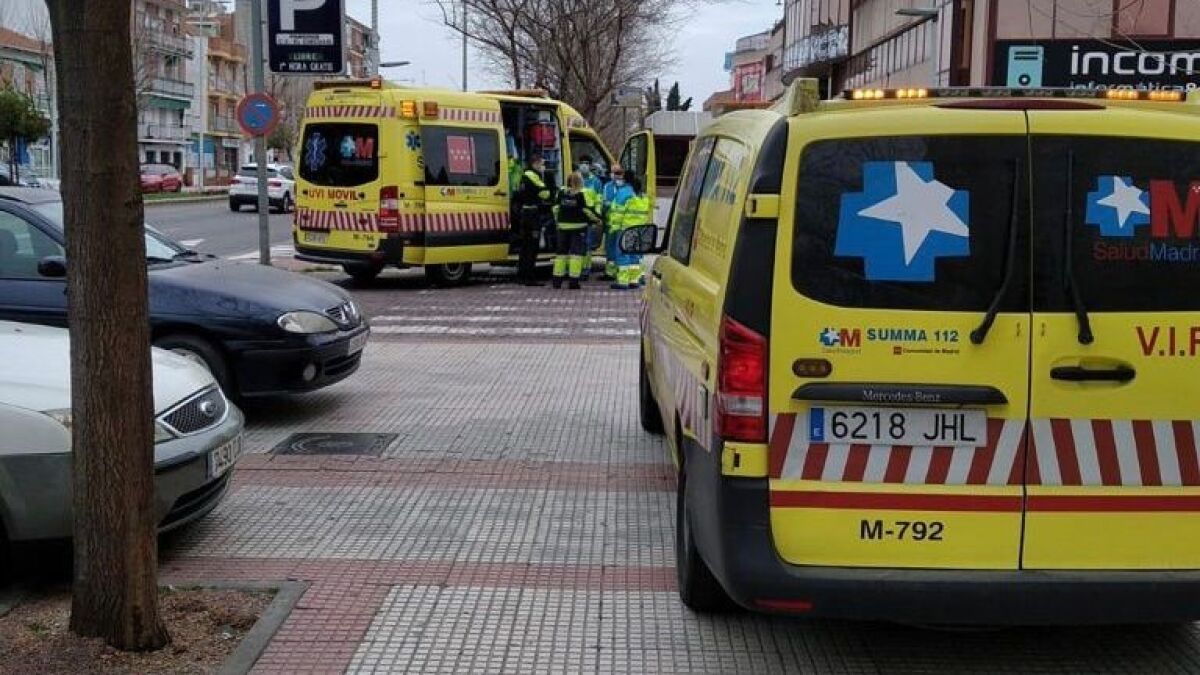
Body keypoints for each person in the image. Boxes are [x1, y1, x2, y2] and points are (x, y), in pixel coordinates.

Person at [551, 171, 602, 289]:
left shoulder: (562, 193)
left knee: (561, 254)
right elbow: (587, 211)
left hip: (563, 227)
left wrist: (558, 221)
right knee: (576, 255)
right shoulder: (581, 194)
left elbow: (555, 208)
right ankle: (573, 281)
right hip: (578, 228)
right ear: (580, 182)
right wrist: (597, 220)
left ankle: (557, 281)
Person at [515, 156, 553, 286]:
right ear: (535, 163)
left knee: (524, 247)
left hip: (524, 213)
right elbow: (545, 193)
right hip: (532, 214)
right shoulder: (533, 176)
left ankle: (521, 275)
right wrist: (547, 180)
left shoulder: (523, 175)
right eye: (542, 164)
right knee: (532, 247)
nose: (543, 167)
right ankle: (529, 277)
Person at [612, 176, 651, 290]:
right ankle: (634, 280)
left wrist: (614, 228)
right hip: (639, 230)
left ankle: (623, 282)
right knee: (635, 255)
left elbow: (618, 213)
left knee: (623, 255)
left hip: (626, 229)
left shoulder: (626, 196)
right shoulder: (644, 198)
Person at [602, 166, 634, 280]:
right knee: (610, 248)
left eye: (619, 173)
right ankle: (610, 272)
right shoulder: (608, 186)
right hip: (611, 222)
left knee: (621, 249)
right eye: (615, 173)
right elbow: (604, 202)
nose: (617, 176)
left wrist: (611, 205)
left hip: (623, 223)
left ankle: (622, 274)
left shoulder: (628, 188)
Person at [577, 156, 603, 281]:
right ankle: (575, 269)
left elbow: (599, 199)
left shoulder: (596, 181)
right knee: (576, 244)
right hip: (576, 215)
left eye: (586, 163)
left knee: (587, 244)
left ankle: (585, 270)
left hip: (589, 216)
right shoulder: (575, 178)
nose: (584, 165)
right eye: (582, 163)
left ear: (591, 165)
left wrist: (597, 215)